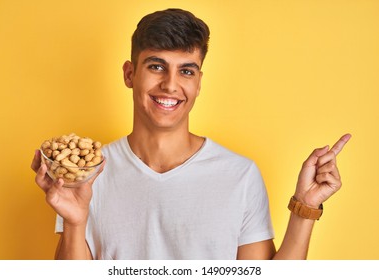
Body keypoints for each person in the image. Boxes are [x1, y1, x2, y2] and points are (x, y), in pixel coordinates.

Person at [31, 8, 351, 260]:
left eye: (186, 70)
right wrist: (75, 222)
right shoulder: (88, 175)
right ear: (130, 74)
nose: (170, 85)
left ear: (198, 82)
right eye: (156, 66)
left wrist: (305, 209)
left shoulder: (239, 175)